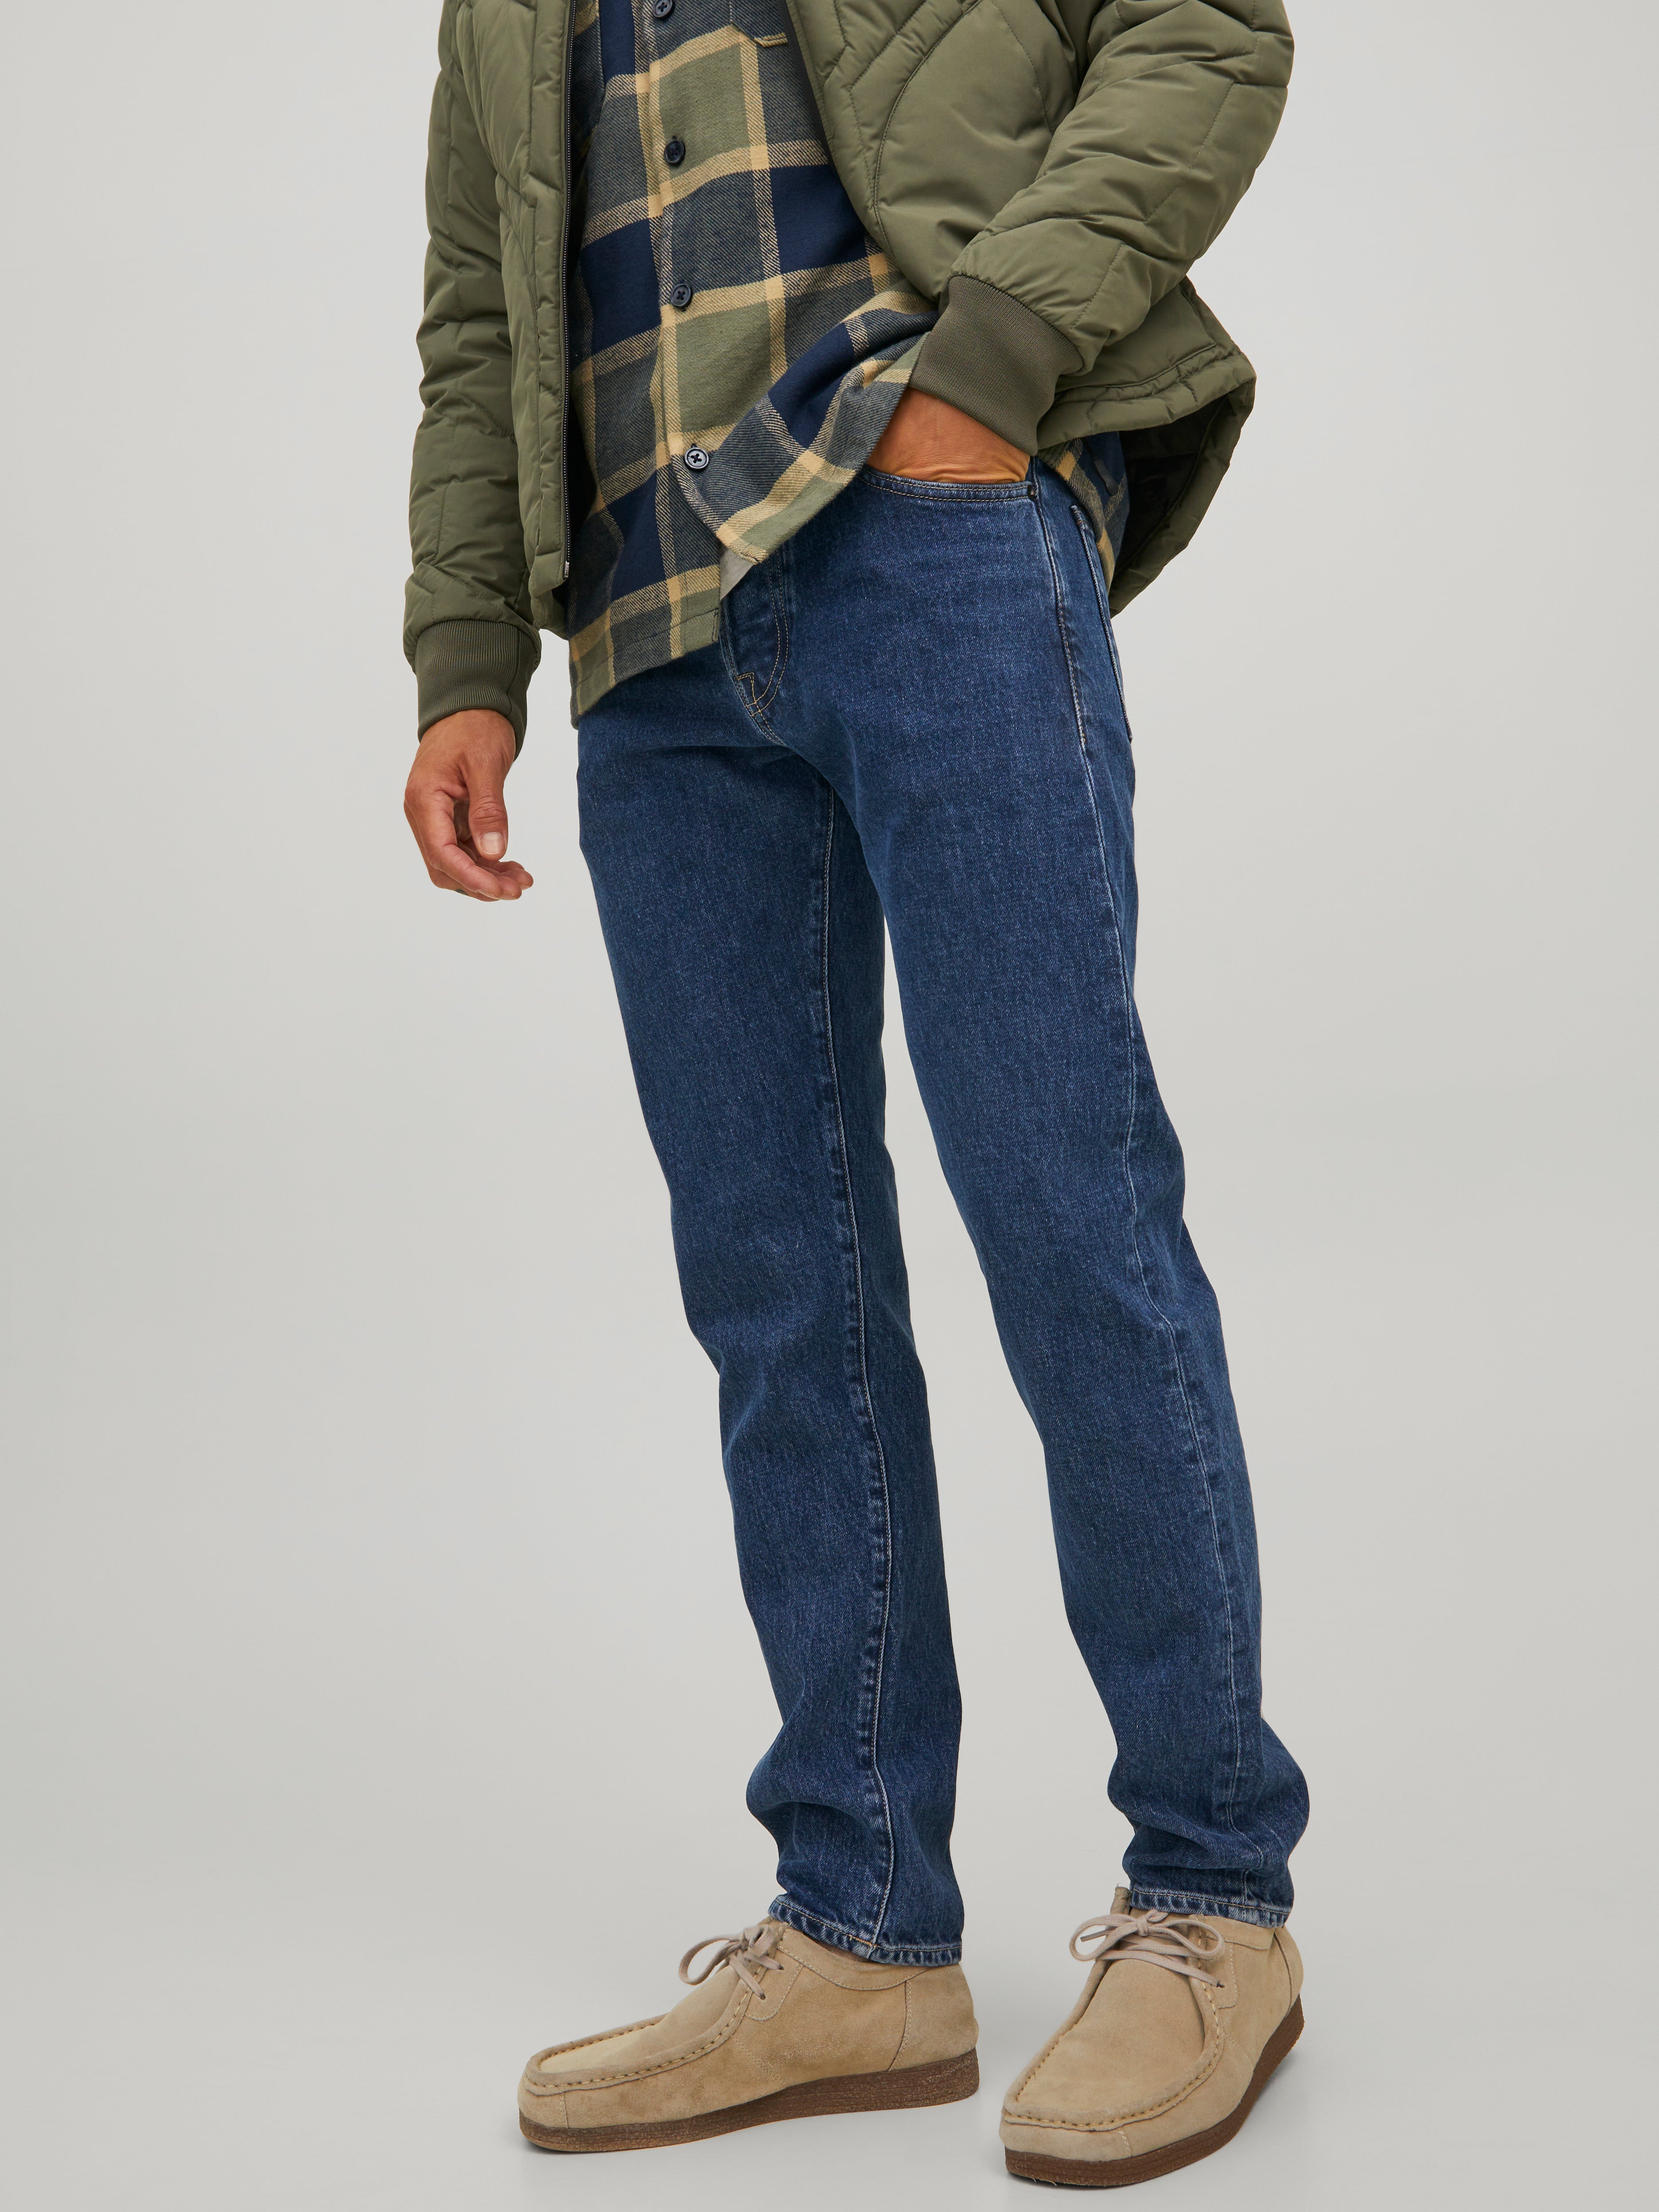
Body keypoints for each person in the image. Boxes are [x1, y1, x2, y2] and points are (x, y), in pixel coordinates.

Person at [402, 0, 1308, 2184]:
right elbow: (477, 316)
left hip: (933, 541)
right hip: (649, 639)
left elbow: (1205, 33)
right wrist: (465, 654)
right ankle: (862, 1929)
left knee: (1066, 1215)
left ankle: (1213, 1896)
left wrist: (990, 370)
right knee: (775, 1295)